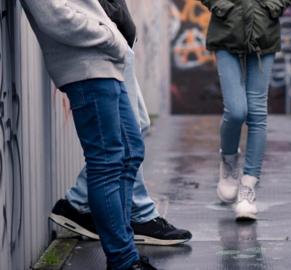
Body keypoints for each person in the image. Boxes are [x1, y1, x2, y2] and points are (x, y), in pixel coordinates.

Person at [19, 0, 156, 268]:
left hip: (105, 63)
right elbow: (54, 16)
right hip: (86, 65)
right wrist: (111, 37)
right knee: (105, 163)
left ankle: (125, 252)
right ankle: (123, 260)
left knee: (130, 153)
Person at [49, 0, 192, 248]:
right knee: (112, 156)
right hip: (100, 47)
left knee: (131, 143)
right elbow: (54, 15)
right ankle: (129, 223)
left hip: (113, 44)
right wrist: (111, 36)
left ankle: (86, 207)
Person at [200, 0, 291, 220]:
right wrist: (220, 5)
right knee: (235, 110)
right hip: (226, 29)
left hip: (264, 30)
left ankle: (248, 187)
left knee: (257, 112)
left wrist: (273, 6)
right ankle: (229, 161)